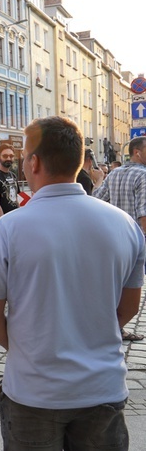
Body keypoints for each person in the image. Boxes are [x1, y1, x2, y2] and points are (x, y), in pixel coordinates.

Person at [0, 116, 146, 451]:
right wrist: (91, 335)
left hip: (34, 391)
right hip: (102, 387)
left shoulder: (8, 228)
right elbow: (129, 305)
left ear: (34, 162)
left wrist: (25, 347)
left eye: (23, 157)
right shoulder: (125, 225)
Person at [93, 135, 146, 341]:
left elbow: (97, 200)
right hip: (136, 241)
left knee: (114, 288)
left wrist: (98, 180)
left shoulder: (115, 173)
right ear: (137, 152)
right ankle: (111, 330)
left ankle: (113, 328)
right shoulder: (143, 176)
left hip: (112, 238)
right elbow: (144, 214)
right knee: (131, 291)